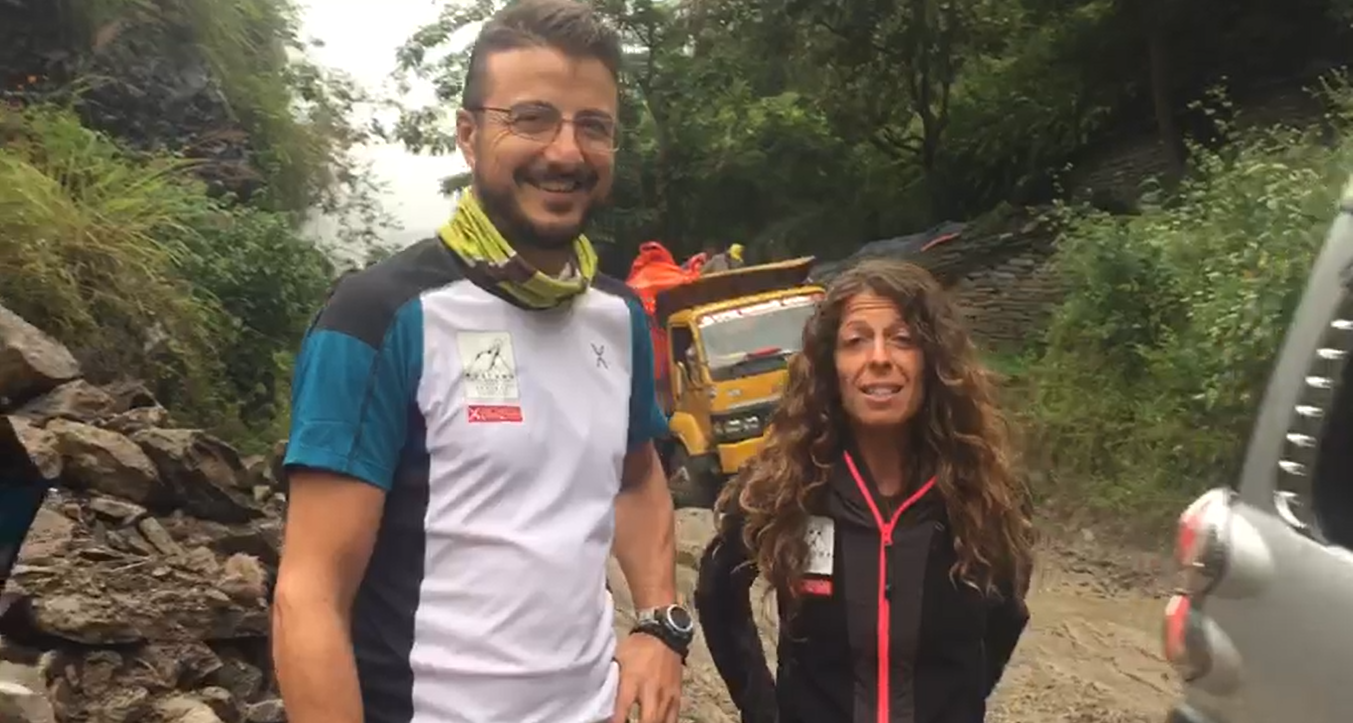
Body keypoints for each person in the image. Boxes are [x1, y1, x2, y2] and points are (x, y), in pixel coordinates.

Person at [270, 3, 692, 723]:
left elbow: (636, 473)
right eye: (532, 118)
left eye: (594, 126)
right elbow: (309, 596)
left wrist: (659, 622)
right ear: (468, 134)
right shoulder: (379, 318)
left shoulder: (618, 316)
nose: (566, 152)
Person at [693, 259, 1035, 723]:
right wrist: (763, 708)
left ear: (933, 361)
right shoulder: (786, 485)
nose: (879, 358)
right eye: (856, 341)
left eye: (903, 339)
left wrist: (959, 699)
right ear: (830, 366)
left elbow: (1007, 614)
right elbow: (718, 593)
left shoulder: (983, 492)